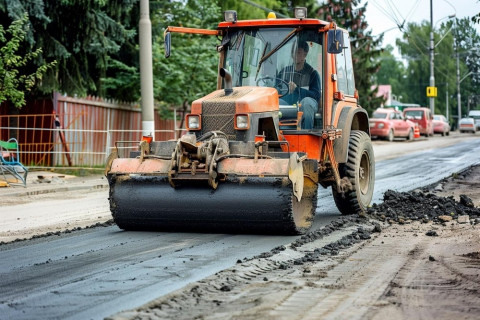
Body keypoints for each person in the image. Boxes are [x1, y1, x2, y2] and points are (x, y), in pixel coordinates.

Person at [278, 41, 321, 129]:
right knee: (275, 103)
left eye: (298, 52)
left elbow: (316, 95)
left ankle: (306, 135)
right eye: (293, 52)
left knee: (307, 102)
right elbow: (276, 88)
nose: (295, 55)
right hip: (287, 104)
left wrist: (297, 89)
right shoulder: (284, 72)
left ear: (305, 54)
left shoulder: (312, 74)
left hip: (305, 105)